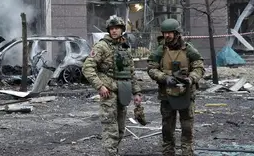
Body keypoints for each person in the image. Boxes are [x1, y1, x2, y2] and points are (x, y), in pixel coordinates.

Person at [83, 15, 143, 156]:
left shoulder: (125, 47)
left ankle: (114, 152)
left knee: (121, 129)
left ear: (122, 30)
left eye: (117, 28)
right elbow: (87, 67)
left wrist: (137, 92)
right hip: (108, 92)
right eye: (112, 28)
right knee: (111, 130)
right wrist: (100, 86)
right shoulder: (102, 46)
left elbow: (131, 72)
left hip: (123, 90)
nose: (114, 31)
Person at [147, 18, 205, 156]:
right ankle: (168, 152)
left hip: (186, 94)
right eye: (165, 33)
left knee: (187, 128)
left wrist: (191, 79)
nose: (167, 35)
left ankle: (187, 152)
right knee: (167, 128)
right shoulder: (160, 50)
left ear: (177, 33)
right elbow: (151, 68)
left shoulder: (188, 49)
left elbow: (199, 67)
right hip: (166, 95)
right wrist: (164, 78)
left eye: (170, 33)